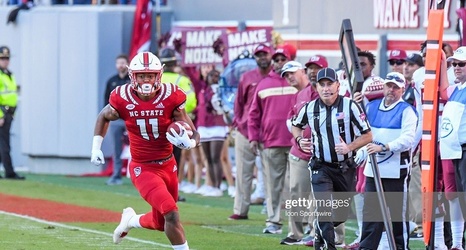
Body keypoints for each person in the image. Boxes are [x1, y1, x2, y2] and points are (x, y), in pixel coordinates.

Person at [90, 51, 199, 250]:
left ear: (159, 75)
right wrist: (96, 146)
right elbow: (104, 116)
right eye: (141, 75)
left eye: (149, 75)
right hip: (143, 168)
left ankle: (131, 220)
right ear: (133, 76)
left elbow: (193, 132)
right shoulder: (122, 97)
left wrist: (189, 143)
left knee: (160, 223)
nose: (146, 80)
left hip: (168, 165)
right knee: (172, 214)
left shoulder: (171, 95)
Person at [290, 67, 372, 250]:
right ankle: (327, 246)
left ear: (337, 85)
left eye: (329, 84)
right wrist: (299, 140)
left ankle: (320, 232)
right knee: (324, 211)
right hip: (321, 166)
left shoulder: (350, 105)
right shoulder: (310, 108)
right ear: (317, 87)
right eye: (322, 85)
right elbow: (296, 126)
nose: (326, 88)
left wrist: (349, 147)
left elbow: (368, 135)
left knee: (341, 214)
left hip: (345, 167)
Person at [355, 72, 417, 250]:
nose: (391, 90)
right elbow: (364, 134)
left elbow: (408, 140)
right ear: (383, 87)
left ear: (402, 90)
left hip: (396, 169)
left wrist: (384, 147)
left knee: (398, 215)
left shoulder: (407, 110)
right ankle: (367, 247)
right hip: (373, 170)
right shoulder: (372, 106)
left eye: (396, 87)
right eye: (389, 86)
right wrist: (362, 150)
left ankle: (400, 247)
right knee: (371, 214)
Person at [249, 47, 296, 234]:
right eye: (276, 60)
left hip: (296, 144)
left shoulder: (298, 81)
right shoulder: (264, 83)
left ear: (290, 59)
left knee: (297, 186)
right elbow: (253, 114)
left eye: (282, 59)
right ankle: (274, 222)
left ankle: (298, 226)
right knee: (273, 186)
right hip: (271, 142)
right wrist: (253, 137)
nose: (278, 63)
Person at [229, 43, 272, 220]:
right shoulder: (247, 77)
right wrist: (239, 123)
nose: (262, 57)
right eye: (259, 55)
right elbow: (239, 103)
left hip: (268, 132)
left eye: (265, 54)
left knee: (273, 173)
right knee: (242, 172)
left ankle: (274, 212)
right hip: (246, 130)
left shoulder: (277, 77)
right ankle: (240, 209)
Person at [279, 60, 319, 246]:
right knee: (296, 194)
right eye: (286, 75)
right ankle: (295, 233)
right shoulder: (300, 95)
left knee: (324, 195)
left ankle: (320, 233)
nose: (289, 77)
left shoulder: (333, 93)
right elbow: (293, 121)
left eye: (291, 72)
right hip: (301, 151)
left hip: (324, 152)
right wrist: (298, 139)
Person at [440, 46, 466, 250]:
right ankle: (457, 243)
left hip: (463, 150)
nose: (456, 67)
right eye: (454, 64)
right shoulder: (458, 89)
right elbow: (442, 91)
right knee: (455, 196)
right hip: (455, 150)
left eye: (461, 64)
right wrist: (441, 63)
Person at [196, 69, 229, 197]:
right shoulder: (203, 89)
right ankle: (212, 185)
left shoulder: (221, 90)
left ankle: (218, 186)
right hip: (204, 126)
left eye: (217, 76)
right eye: (212, 76)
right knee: (208, 158)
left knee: (216, 158)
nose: (214, 78)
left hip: (217, 126)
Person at [104, 54, 130, 185]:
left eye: (123, 62)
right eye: (118, 63)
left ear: (127, 64)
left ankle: (139, 176)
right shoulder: (111, 81)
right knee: (116, 149)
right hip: (116, 120)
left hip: (131, 119)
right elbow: (106, 102)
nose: (120, 65)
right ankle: (116, 175)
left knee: (138, 147)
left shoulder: (132, 80)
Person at [0, 46, 23, 180]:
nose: (5, 61)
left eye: (7, 58)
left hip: (9, 113)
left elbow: (12, 94)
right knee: (4, 144)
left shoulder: (9, 74)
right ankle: (9, 172)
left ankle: (8, 171)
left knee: (3, 143)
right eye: (2, 58)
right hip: (2, 113)